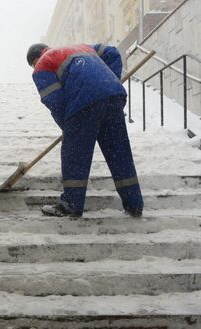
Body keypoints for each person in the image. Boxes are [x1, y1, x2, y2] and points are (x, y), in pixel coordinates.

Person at [27, 43, 143, 218]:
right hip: (113, 95)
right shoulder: (81, 47)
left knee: (74, 154)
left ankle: (71, 205)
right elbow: (112, 52)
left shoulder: (43, 64)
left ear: (35, 60)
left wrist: (69, 129)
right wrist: (111, 79)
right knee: (119, 152)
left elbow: (54, 100)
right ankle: (134, 204)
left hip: (84, 101)